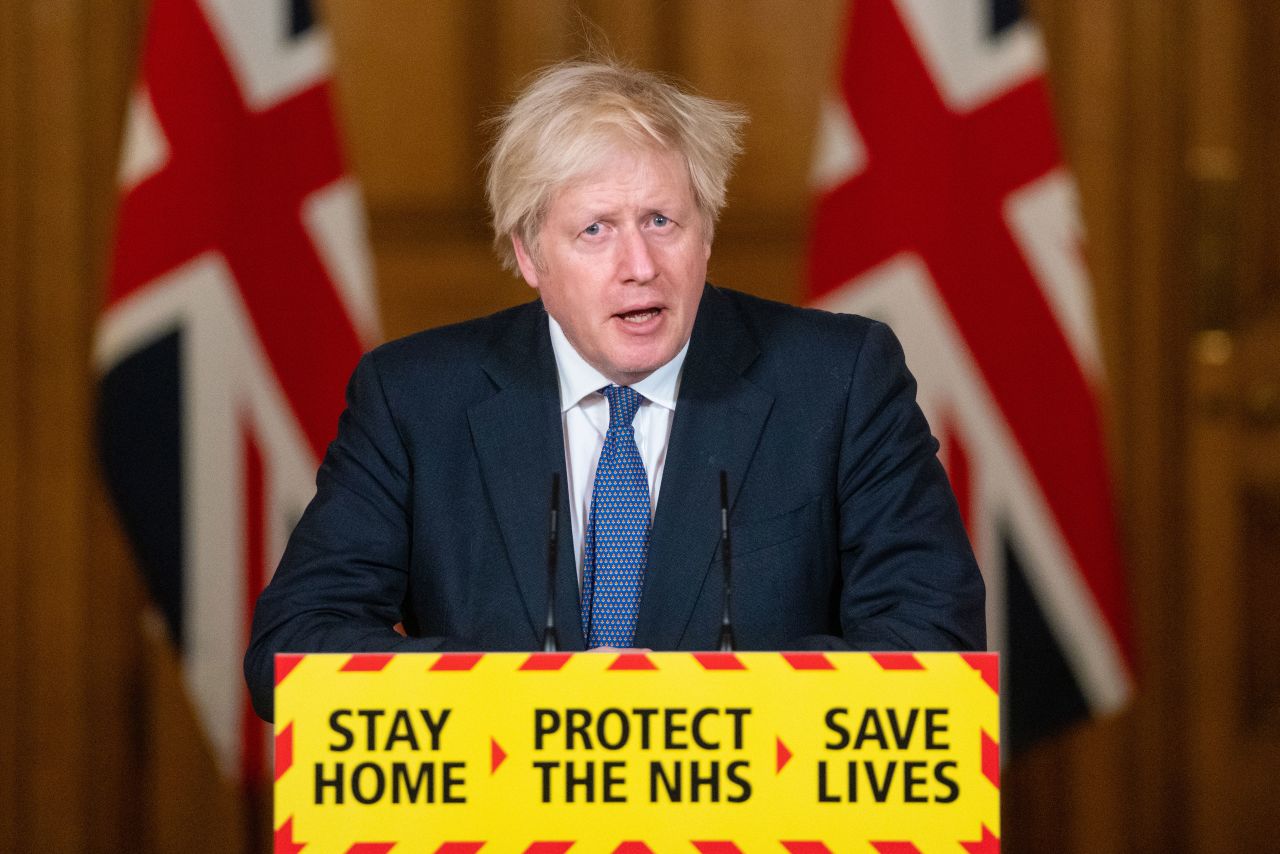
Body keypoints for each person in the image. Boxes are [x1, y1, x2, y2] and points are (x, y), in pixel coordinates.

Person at [245, 59, 985, 721]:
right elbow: (295, 650)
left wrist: (675, 719)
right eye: (596, 229)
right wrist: (546, 712)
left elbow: (932, 644)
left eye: (663, 220)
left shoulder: (839, 380)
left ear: (707, 232)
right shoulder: (415, 401)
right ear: (528, 254)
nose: (640, 265)